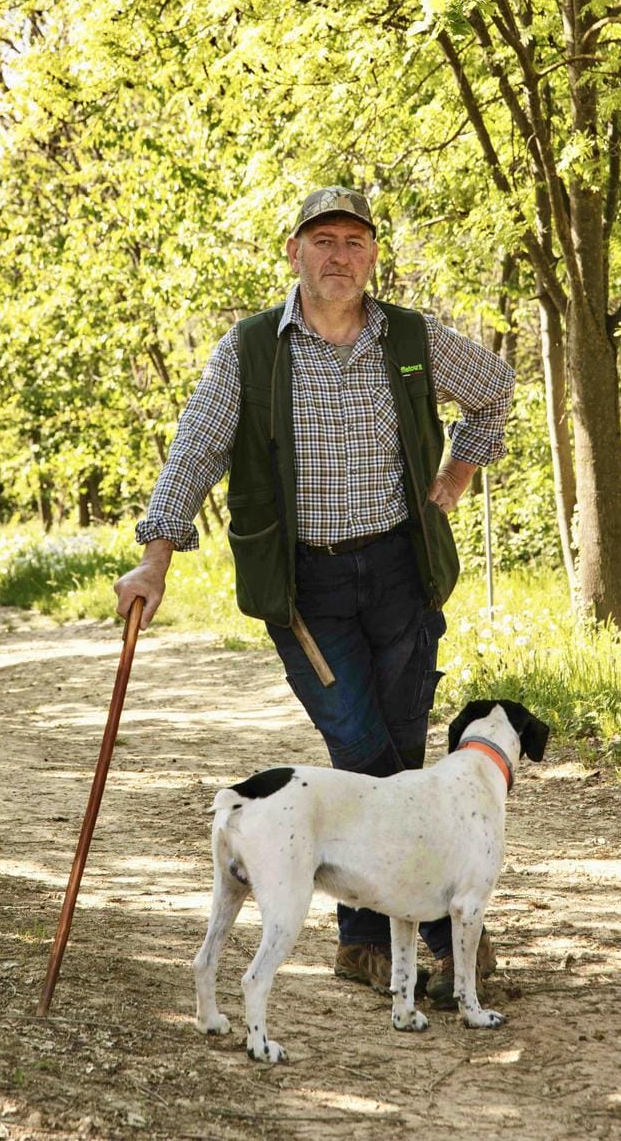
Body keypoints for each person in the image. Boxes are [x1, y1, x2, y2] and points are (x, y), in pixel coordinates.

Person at [114, 186, 514, 1007]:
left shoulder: (410, 338)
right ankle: (446, 938)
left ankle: (365, 943)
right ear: (294, 252)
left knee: (398, 754)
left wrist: (459, 472)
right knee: (364, 750)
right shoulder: (251, 350)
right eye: (323, 240)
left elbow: (497, 386)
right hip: (307, 591)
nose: (339, 256)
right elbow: (194, 451)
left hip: (403, 574)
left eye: (354, 242)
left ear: (373, 256)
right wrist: (155, 562)